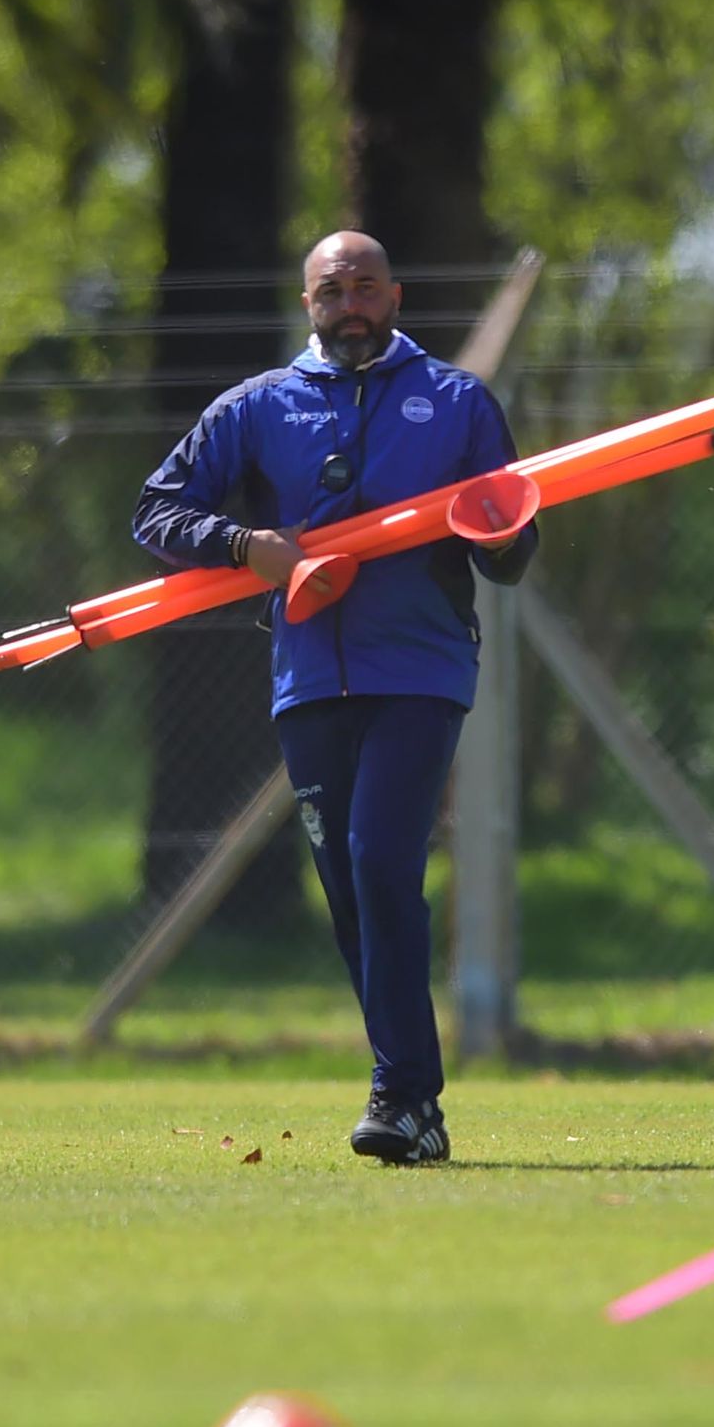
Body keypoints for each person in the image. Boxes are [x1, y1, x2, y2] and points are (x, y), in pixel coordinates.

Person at [132, 231, 537, 1165]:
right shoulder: (257, 406)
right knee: (351, 892)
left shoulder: (457, 402)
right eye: (331, 291)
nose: (349, 305)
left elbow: (511, 556)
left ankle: (404, 1095)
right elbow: (156, 510)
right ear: (308, 302)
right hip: (308, 676)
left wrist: (503, 534)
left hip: (421, 669)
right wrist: (245, 546)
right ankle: (410, 1101)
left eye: (364, 288)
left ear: (395, 296)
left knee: (380, 861)